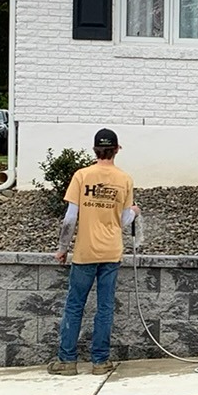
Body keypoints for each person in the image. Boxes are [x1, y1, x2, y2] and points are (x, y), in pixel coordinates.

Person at [52, 129, 138, 374]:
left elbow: (70, 219)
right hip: (111, 252)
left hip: (85, 253)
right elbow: (123, 220)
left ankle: (67, 361)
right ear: (117, 149)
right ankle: (100, 362)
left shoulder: (81, 176)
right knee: (105, 308)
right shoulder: (125, 179)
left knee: (74, 305)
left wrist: (62, 249)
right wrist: (135, 212)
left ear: (94, 150)